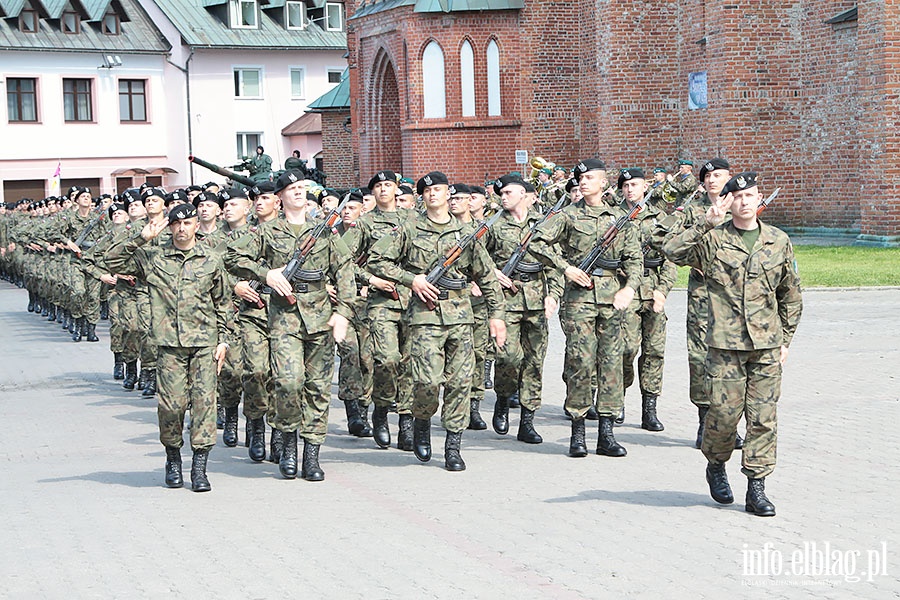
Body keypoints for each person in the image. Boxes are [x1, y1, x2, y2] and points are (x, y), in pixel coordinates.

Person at [663, 172, 802, 517]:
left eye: (750, 195)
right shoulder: (713, 240)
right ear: (729, 202)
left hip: (766, 345)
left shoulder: (778, 240)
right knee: (723, 416)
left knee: (763, 419)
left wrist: (785, 339)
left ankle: (757, 487)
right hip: (725, 346)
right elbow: (670, 250)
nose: (744, 202)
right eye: (737, 197)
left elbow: (791, 294)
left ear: (759, 199)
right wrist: (706, 224)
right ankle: (715, 464)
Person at [367, 171, 507, 471]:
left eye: (439, 190)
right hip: (425, 315)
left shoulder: (465, 234)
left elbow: (486, 276)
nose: (433, 194)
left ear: (448, 194)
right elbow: (377, 260)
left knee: (460, 382)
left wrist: (497, 316)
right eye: (427, 191)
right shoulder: (409, 228)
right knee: (427, 381)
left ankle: (453, 446)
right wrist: (412, 279)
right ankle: (421, 421)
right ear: (422, 197)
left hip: (461, 316)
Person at [225, 169, 355, 481]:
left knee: (318, 388)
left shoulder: (324, 231)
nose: (297, 192)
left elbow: (345, 272)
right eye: (291, 188)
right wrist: (265, 274)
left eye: (301, 187)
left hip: (321, 317)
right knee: (288, 382)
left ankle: (311, 455)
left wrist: (344, 311)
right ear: (280, 197)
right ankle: (287, 442)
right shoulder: (266, 232)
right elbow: (231, 257)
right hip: (284, 317)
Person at [106, 203, 230, 492]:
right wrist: (142, 237)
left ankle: (199, 468)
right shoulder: (154, 257)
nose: (182, 228)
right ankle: (173, 458)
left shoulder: (211, 259)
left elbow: (222, 302)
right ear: (170, 227)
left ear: (196, 226)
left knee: (204, 406)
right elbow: (110, 261)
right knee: (171, 406)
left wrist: (224, 340)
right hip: (168, 343)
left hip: (204, 343)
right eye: (176, 224)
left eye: (187, 223)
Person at [529, 159, 642, 458]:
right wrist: (565, 268)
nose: (583, 181)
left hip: (612, 299)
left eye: (590, 177)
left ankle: (606, 433)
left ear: (604, 183)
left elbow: (634, 260)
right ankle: (577, 431)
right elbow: (536, 242)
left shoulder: (619, 219)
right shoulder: (567, 216)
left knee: (611, 364)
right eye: (580, 177)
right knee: (580, 361)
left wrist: (629, 288)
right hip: (579, 299)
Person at [485, 175, 562, 444]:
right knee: (507, 358)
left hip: (536, 300)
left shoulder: (544, 223)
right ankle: (503, 399)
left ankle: (527, 421)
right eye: (500, 194)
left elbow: (554, 262)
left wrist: (553, 294)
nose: (503, 197)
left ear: (523, 193)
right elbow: (478, 259)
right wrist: (493, 272)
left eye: (508, 192)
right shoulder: (493, 225)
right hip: (506, 302)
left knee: (534, 362)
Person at [352, 170, 413, 450]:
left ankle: (407, 422)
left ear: (397, 190)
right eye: (378, 186)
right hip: (380, 302)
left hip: (413, 300)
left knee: (409, 363)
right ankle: (381, 409)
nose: (383, 190)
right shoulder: (364, 224)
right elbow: (343, 260)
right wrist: (371, 279)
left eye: (388, 185)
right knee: (387, 359)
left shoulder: (414, 221)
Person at [617, 168, 677, 430]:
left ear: (645, 187)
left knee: (654, 352)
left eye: (635, 185)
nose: (630, 189)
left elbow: (671, 258)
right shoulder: (614, 217)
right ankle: (616, 400)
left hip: (652, 289)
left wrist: (663, 290)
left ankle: (649, 409)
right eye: (626, 185)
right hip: (625, 289)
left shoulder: (660, 218)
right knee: (625, 350)